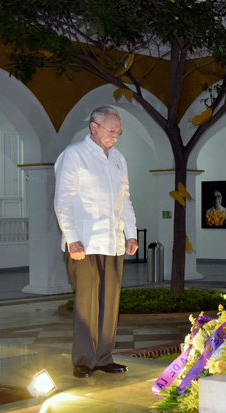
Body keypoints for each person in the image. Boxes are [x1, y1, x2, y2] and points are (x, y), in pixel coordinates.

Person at [54, 105, 138, 379]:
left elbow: (125, 199)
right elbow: (63, 201)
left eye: (118, 132)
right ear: (93, 127)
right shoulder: (74, 155)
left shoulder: (119, 159)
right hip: (85, 243)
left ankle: (103, 357)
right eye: (110, 130)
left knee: (110, 303)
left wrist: (132, 233)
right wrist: (72, 238)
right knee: (86, 304)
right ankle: (82, 360)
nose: (115, 136)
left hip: (112, 242)